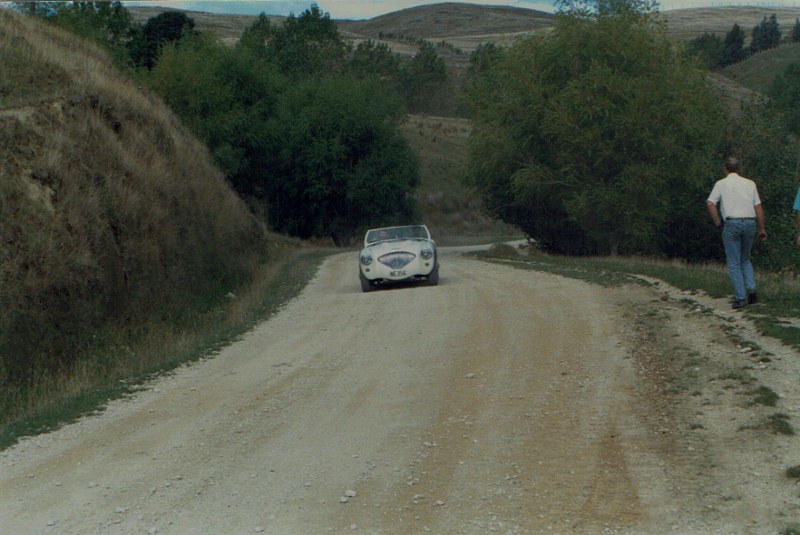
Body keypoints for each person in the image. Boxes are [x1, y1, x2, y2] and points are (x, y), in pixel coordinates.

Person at [706, 157, 767, 309]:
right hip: (750, 222)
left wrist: (718, 222)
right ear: (738, 169)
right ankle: (751, 290)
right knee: (745, 259)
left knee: (734, 262)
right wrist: (762, 229)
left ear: (725, 168)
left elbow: (710, 203)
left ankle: (740, 298)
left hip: (732, 222)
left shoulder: (721, 184)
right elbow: (758, 207)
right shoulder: (750, 183)